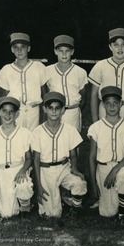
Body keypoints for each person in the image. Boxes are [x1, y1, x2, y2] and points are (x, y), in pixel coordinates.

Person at [31, 92, 87, 220]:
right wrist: (39, 186)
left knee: (79, 183)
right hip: (46, 171)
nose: (54, 112)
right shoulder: (37, 131)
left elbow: (73, 154)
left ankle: (75, 209)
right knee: (52, 215)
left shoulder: (70, 129)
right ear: (44, 109)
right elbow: (36, 159)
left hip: (64, 167)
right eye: (50, 108)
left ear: (63, 110)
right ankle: (61, 196)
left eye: (58, 108)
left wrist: (74, 168)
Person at [88, 86, 124, 226]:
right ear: (103, 105)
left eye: (115, 102)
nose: (112, 106)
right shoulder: (96, 127)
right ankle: (123, 201)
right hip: (103, 168)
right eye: (108, 103)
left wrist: (115, 170)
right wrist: (93, 184)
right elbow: (91, 157)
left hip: (122, 165)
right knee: (107, 213)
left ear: (121, 104)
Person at [0, 97, 34, 219]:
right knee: (7, 214)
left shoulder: (24, 133)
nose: (7, 115)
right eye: (4, 111)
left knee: (23, 186)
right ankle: (16, 203)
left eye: (11, 111)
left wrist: (23, 170)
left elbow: (29, 158)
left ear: (17, 114)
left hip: (18, 169)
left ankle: (25, 208)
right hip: (2, 173)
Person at [88, 28, 124, 123]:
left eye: (123, 45)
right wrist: (95, 120)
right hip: (105, 108)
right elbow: (94, 94)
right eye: (115, 45)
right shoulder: (100, 65)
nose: (119, 48)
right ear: (110, 47)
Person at [0, 32, 49, 132]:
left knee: (33, 142)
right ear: (12, 49)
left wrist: (45, 117)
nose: (19, 50)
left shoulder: (39, 67)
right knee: (16, 141)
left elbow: (45, 95)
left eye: (23, 47)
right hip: (15, 112)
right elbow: (5, 98)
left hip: (34, 111)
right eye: (16, 47)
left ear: (28, 48)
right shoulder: (6, 69)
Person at [46, 35, 88, 132]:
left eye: (67, 51)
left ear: (72, 52)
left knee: (72, 143)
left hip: (73, 112)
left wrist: (74, 108)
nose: (64, 54)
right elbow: (46, 93)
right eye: (60, 51)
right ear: (55, 51)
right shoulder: (48, 71)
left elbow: (83, 97)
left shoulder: (80, 72)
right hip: (54, 112)